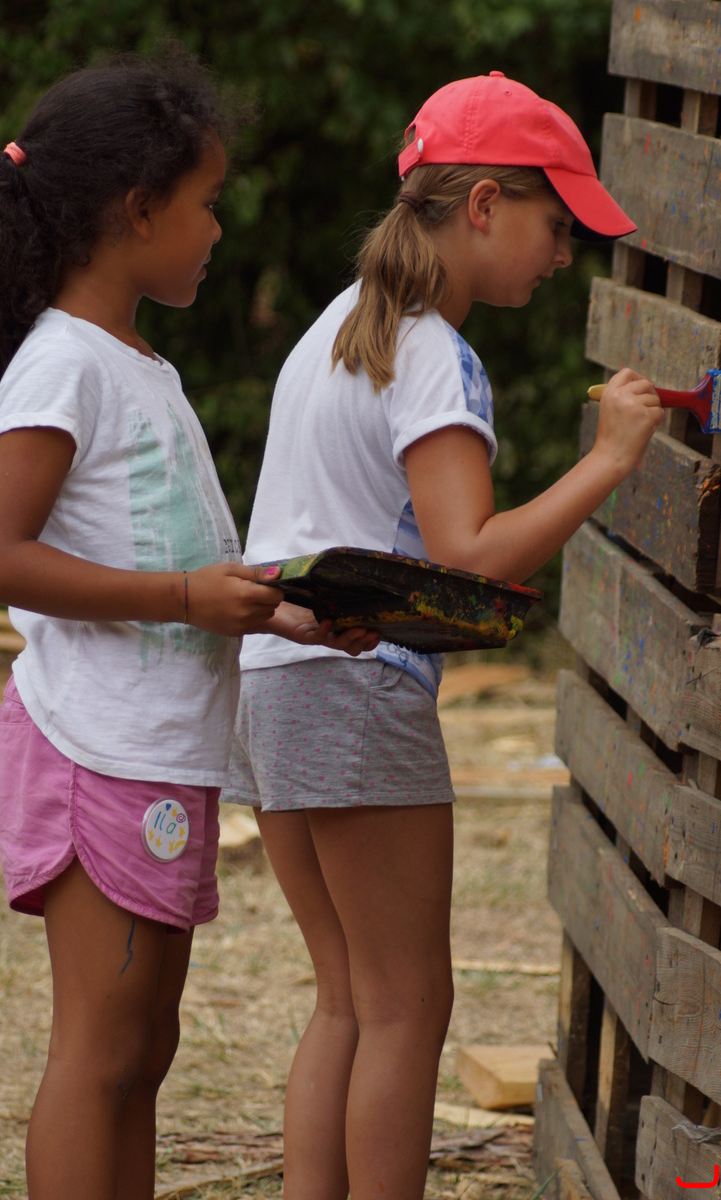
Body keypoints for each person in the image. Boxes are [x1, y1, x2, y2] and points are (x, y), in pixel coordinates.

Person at [0, 44, 374, 1200]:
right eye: (205, 202)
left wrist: (284, 607)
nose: (217, 228)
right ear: (135, 209)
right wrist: (183, 598)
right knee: (102, 1051)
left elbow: (168, 559)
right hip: (96, 750)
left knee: (144, 1050)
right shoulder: (63, 365)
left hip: (154, 749)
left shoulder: (135, 366)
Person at [225, 72, 663, 1200]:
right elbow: (469, 556)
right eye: (554, 223)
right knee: (408, 1006)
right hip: (354, 687)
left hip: (273, 684)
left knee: (346, 1000)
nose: (561, 253)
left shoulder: (339, 325)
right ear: (481, 204)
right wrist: (610, 461)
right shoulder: (432, 353)